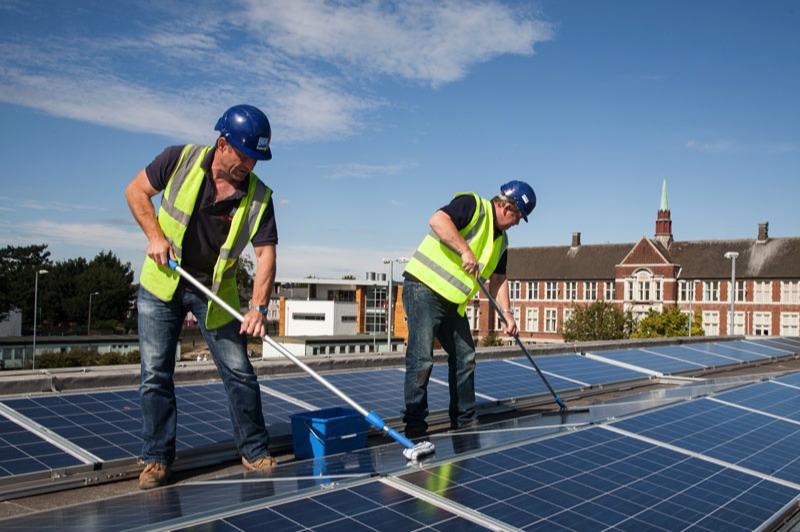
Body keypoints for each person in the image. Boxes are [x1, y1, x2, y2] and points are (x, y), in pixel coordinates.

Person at [125, 104, 278, 489]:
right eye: (244, 155)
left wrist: (258, 307)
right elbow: (136, 192)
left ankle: (255, 451)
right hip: (163, 283)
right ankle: (157, 459)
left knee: (239, 371)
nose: (250, 165)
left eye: (256, 158)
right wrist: (155, 237)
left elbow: (266, 255)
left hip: (213, 293)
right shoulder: (179, 159)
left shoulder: (260, 197)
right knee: (156, 373)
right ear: (222, 144)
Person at [401, 181, 536, 437]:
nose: (518, 222)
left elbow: (498, 280)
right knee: (422, 359)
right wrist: (465, 250)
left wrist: (507, 315)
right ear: (507, 206)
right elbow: (437, 220)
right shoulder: (474, 206)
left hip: (453, 303)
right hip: (424, 289)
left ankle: (464, 421)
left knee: (465, 356)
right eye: (518, 215)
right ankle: (415, 427)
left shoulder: (502, 241)